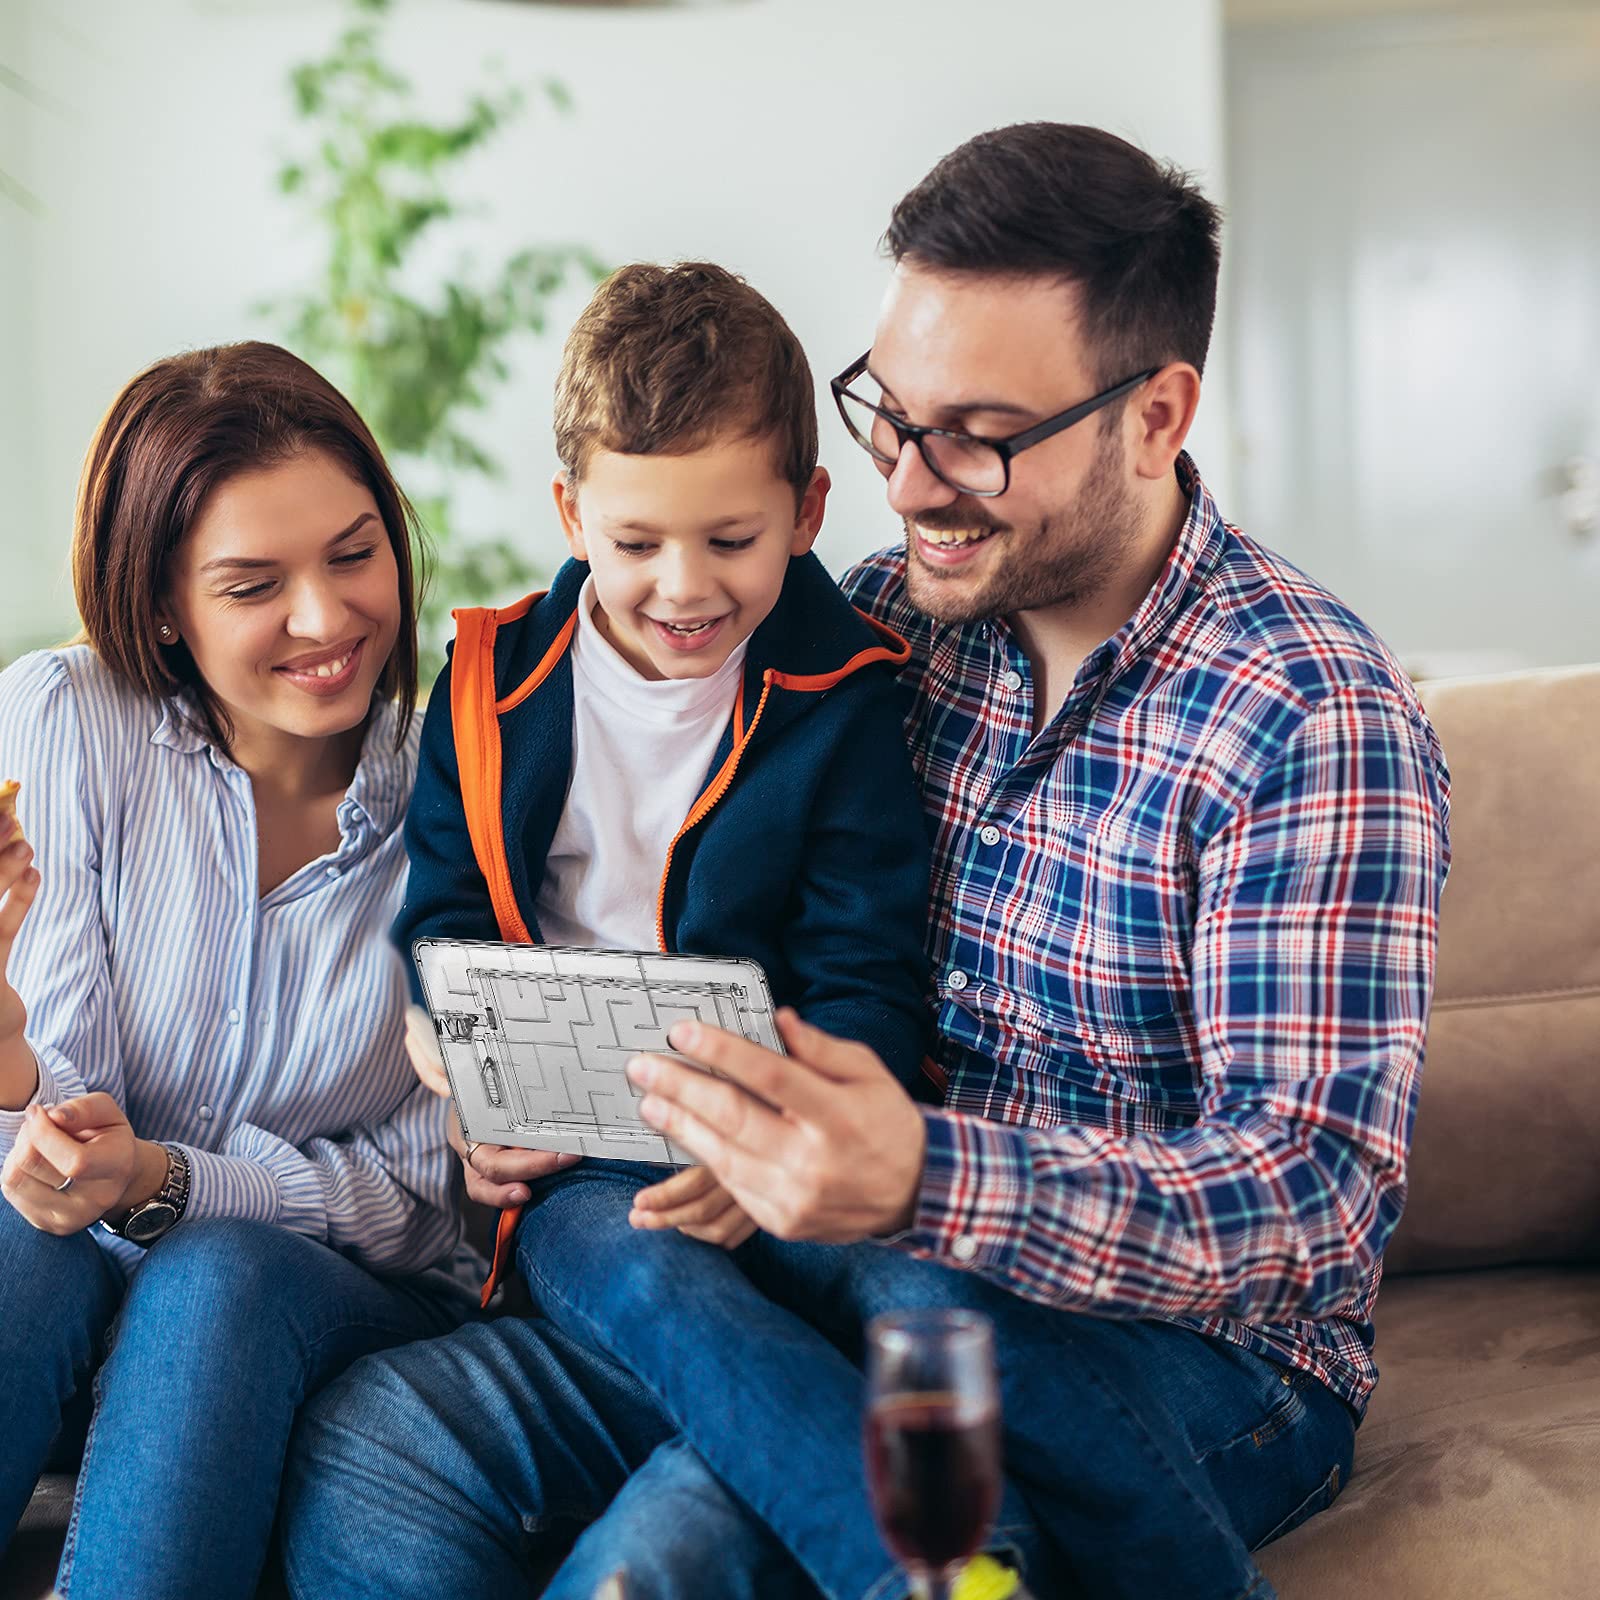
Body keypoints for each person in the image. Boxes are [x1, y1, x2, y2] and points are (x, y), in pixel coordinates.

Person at [280, 125, 1452, 1600]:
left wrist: (919, 1173)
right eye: (889, 419)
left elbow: (1310, 1200)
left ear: (1155, 417)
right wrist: (495, 1061)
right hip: (809, 1250)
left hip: (1180, 1346)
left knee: (682, 1552)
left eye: (978, 436)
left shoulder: (1310, 713)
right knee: (380, 1443)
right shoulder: (882, 618)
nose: (908, 483)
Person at [0, 343, 476, 1600]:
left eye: (354, 554)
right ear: (163, 602)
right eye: (255, 582)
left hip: (317, 1298)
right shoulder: (63, 720)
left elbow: (425, 1198)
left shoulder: (467, 792)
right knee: (21, 1243)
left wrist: (172, 1182)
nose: (325, 620)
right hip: (65, 1269)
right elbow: (48, 1127)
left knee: (215, 1270)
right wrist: (20, 1086)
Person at [396, 258, 931, 1304]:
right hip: (573, 1165)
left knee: (913, 1302)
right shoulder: (482, 683)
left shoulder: (847, 694)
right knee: (654, 1284)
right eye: (634, 543)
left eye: (731, 539)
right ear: (570, 515)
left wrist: (787, 1142)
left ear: (807, 512)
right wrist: (476, 1094)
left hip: (776, 1143)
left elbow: (864, 978)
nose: (684, 586)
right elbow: (441, 926)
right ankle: (842, 1468)